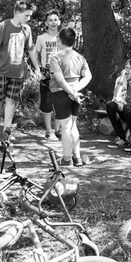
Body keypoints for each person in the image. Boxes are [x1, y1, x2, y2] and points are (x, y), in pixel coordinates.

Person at [0, 0, 40, 138]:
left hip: (17, 73)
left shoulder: (27, 29)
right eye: (26, 15)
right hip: (1, 71)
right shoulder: (4, 26)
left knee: (11, 101)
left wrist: (38, 68)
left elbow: (31, 49)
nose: (29, 18)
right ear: (17, 13)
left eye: (30, 15)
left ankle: (7, 129)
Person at [49, 27, 92, 167]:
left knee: (65, 127)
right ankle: (77, 158)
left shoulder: (55, 57)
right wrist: (75, 90)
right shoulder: (80, 57)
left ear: (59, 40)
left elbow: (60, 80)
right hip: (75, 94)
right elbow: (88, 77)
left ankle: (67, 159)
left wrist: (72, 92)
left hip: (61, 93)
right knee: (73, 125)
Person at [34, 11, 63, 141]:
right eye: (50, 20)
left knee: (59, 103)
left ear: (59, 22)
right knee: (47, 103)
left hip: (60, 73)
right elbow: (34, 55)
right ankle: (49, 131)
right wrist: (39, 71)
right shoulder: (41, 38)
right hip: (46, 74)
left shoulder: (62, 37)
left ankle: (58, 130)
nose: (53, 22)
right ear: (46, 23)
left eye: (55, 20)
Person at [103, 60, 131, 146]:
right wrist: (121, 77)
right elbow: (115, 94)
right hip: (122, 105)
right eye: (126, 67)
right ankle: (121, 136)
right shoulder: (120, 79)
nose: (127, 70)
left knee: (129, 107)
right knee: (110, 105)